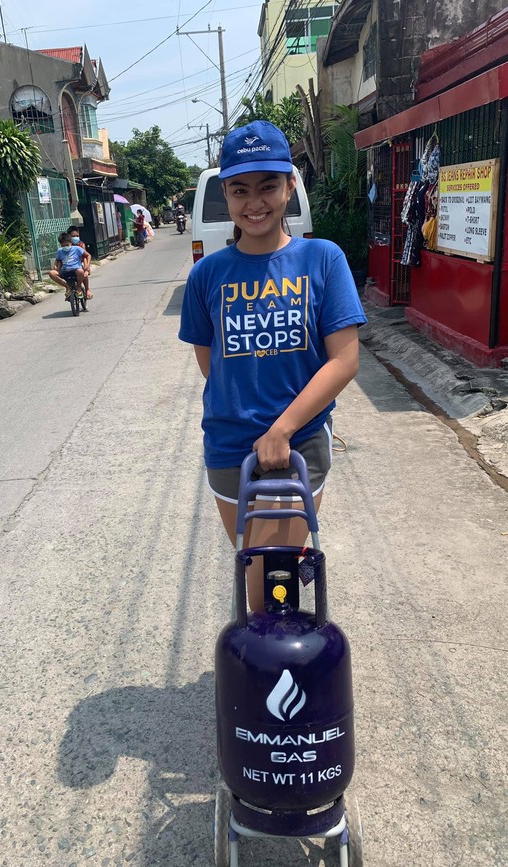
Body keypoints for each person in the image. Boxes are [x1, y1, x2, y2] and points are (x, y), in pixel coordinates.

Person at [178, 120, 367, 611]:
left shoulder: (323, 260)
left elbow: (344, 360)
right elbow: (212, 364)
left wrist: (282, 428)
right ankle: (271, 667)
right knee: (255, 565)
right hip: (228, 444)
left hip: (299, 440)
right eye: (240, 189)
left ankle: (276, 671)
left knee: (272, 572)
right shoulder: (207, 275)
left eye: (267, 186)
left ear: (290, 186)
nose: (254, 201)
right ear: (226, 195)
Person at [48, 231, 91, 300]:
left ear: (71, 243)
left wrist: (87, 266)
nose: (65, 247)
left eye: (67, 245)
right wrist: (56, 266)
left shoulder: (77, 249)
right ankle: (67, 287)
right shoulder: (60, 251)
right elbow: (58, 260)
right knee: (51, 273)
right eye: (63, 246)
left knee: (80, 271)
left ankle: (79, 288)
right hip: (65, 271)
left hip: (76, 270)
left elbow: (88, 255)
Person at [67, 226, 92, 298]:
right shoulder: (66, 245)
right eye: (73, 236)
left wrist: (87, 267)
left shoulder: (81, 244)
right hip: (70, 263)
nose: (75, 237)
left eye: (77, 236)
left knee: (84, 274)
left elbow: (84, 256)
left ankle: (87, 289)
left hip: (79, 262)